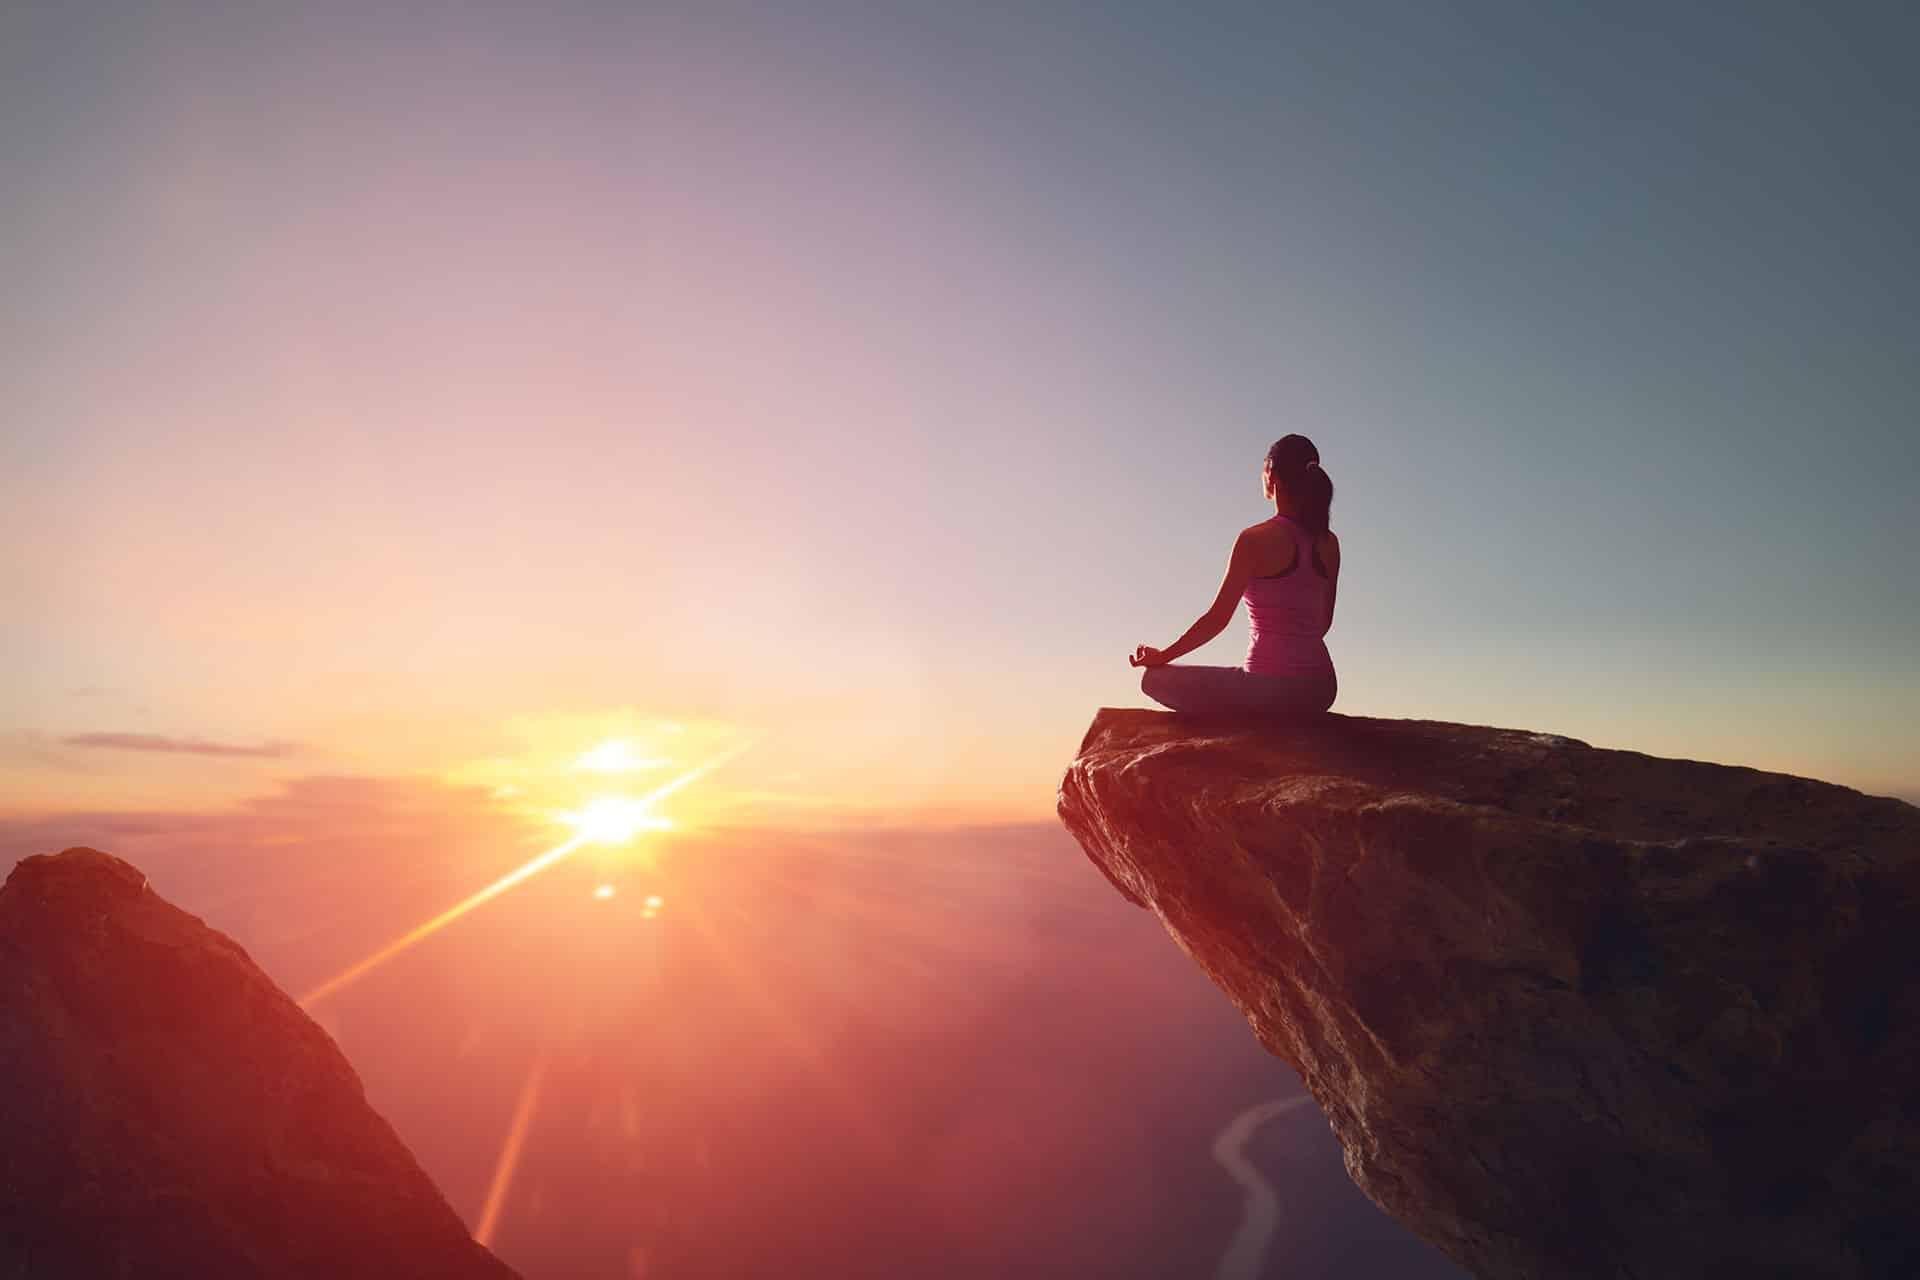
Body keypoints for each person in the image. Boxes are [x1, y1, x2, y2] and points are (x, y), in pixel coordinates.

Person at [1130, 434, 1338, 718]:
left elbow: (1216, 621)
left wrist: (1162, 656)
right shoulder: (1329, 543)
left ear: (1270, 473)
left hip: (1268, 690)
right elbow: (1322, 624)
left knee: (1153, 679)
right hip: (1321, 690)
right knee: (1233, 678)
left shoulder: (1254, 539)